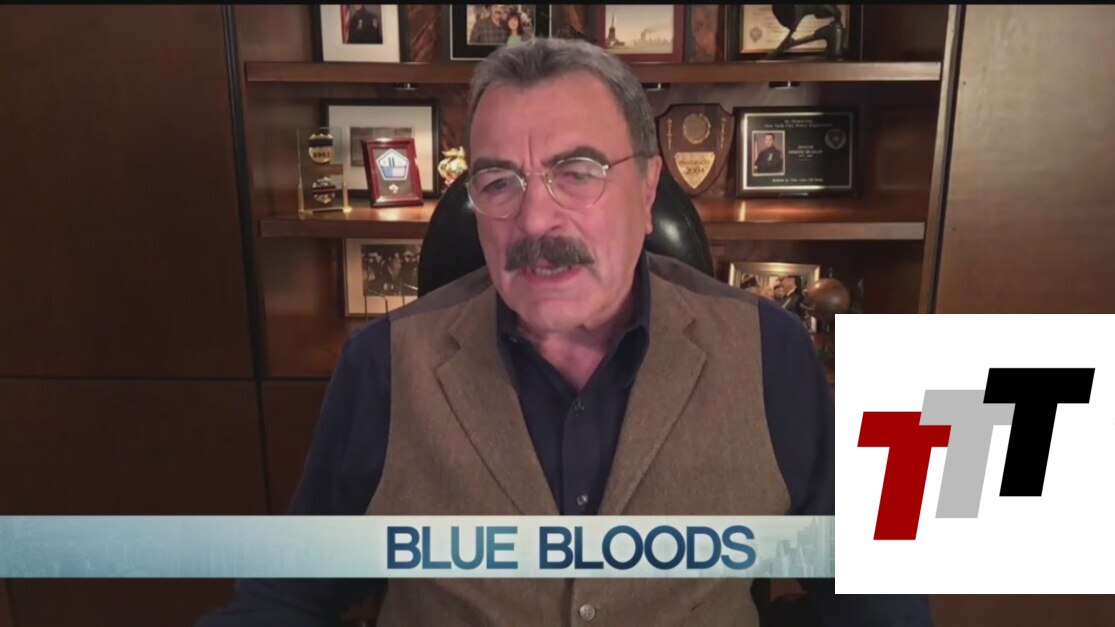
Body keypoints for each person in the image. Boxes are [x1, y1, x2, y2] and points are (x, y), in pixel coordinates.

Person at [197, 37, 934, 626]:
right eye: (499, 182)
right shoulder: (384, 366)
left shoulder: (771, 352)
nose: (534, 219)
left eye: (576, 171)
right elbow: (287, 597)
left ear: (646, 188)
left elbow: (872, 594)